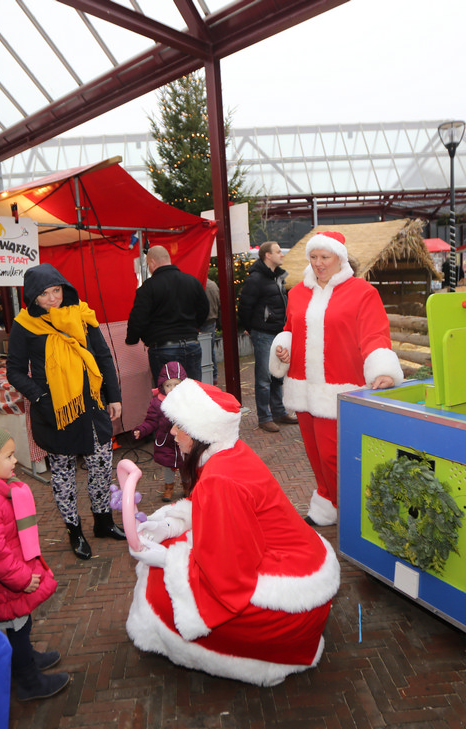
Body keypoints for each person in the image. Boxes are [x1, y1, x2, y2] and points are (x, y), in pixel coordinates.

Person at [125, 379, 340, 686]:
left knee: (158, 585)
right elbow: (214, 515)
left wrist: (166, 559)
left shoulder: (218, 478)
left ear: (200, 431)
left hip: (293, 594)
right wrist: (169, 525)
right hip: (306, 562)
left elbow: (228, 573)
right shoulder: (229, 453)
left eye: (179, 426)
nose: (172, 432)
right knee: (174, 546)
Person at [271, 231, 403, 526]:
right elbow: (291, 329)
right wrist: (284, 348)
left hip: (339, 388)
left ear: (340, 258)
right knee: (315, 455)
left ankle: (352, 509)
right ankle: (326, 503)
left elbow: (374, 334)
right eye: (313, 257)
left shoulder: (362, 292)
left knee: (333, 456)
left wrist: (383, 369)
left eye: (324, 257)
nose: (318, 263)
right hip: (302, 386)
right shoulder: (297, 293)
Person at [7, 263, 126, 560]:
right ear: (32, 297)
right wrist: (41, 397)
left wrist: (114, 396)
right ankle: (75, 531)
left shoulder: (82, 314)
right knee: (63, 475)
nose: (53, 299)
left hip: (92, 407)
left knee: (101, 467)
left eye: (57, 290)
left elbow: (102, 356)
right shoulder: (24, 325)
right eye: (44, 294)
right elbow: (15, 371)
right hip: (56, 412)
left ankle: (103, 522)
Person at [0, 426, 70, 701]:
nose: (15, 461)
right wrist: (21, 578)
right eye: (8, 456)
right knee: (17, 627)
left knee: (22, 623)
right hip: (6, 581)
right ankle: (28, 681)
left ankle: (26, 657)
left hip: (9, 574)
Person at [126, 245, 208, 383]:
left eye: (148, 264)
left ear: (152, 262)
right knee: (193, 391)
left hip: (163, 348)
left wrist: (132, 339)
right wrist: (192, 328)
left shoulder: (148, 287)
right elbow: (204, 309)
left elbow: (138, 318)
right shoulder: (192, 281)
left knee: (168, 393)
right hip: (191, 344)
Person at [238, 241, 296, 433]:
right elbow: (244, 307)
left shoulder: (277, 277)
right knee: (264, 378)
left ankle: (279, 412)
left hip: (278, 333)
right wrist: (252, 328)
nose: (282, 254)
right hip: (263, 333)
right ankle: (264, 417)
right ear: (267, 256)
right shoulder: (256, 279)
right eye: (278, 251)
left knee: (278, 374)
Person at [132, 361, 186, 502]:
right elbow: (151, 421)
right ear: (162, 386)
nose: (172, 389)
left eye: (176, 385)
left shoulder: (188, 400)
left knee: (186, 466)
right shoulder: (158, 403)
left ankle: (187, 486)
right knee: (169, 466)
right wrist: (141, 430)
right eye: (168, 385)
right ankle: (169, 488)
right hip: (166, 441)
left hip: (185, 442)